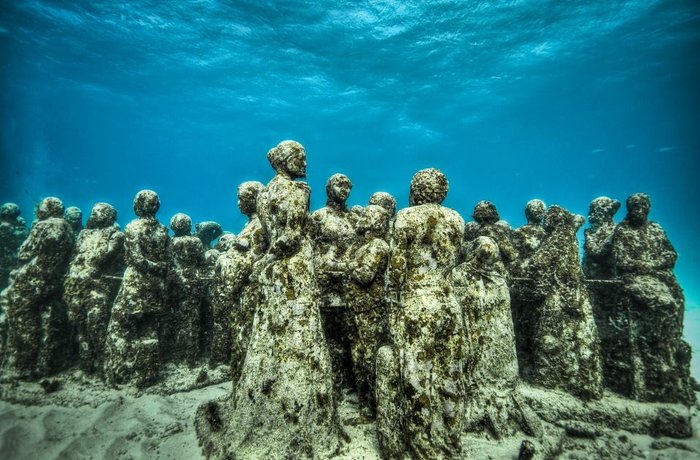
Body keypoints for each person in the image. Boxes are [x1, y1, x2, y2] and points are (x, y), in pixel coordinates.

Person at [195, 140, 341, 459]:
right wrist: (268, 259)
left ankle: (266, 404)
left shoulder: (264, 193)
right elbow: (288, 238)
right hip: (293, 270)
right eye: (299, 157)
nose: (305, 162)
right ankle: (298, 418)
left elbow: (273, 234)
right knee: (300, 339)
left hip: (274, 273)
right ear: (283, 161)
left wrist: (264, 263)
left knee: (272, 337)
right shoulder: (298, 191)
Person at [380, 168, 466, 459]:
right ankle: (451, 438)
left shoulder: (405, 217)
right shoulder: (457, 219)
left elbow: (396, 270)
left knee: (417, 375)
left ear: (416, 189)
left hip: (417, 303)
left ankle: (422, 442)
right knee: (450, 372)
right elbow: (451, 263)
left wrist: (392, 308)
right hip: (449, 302)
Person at [610, 193, 694, 404]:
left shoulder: (656, 229)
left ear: (649, 207)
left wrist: (655, 265)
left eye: (643, 205)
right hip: (635, 279)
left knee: (677, 299)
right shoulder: (622, 231)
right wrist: (644, 266)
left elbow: (671, 254)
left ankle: (671, 345)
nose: (639, 209)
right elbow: (621, 260)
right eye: (635, 205)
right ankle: (656, 350)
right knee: (664, 303)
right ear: (629, 208)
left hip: (661, 277)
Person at [1, 197, 74, 379]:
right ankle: (48, 361)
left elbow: (25, 252)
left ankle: (23, 364)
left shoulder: (42, 226)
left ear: (46, 208)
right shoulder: (68, 227)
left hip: (35, 277)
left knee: (18, 310)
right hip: (55, 279)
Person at [104, 190, 169, 388]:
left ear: (138, 205)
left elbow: (135, 259)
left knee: (120, 325)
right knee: (149, 328)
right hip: (156, 284)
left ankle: (120, 374)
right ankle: (147, 374)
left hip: (136, 283)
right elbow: (166, 260)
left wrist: (150, 267)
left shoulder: (133, 227)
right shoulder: (163, 229)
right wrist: (158, 268)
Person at [63, 203, 124, 374]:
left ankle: (106, 364)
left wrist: (86, 269)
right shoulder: (83, 234)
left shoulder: (116, 235)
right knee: (79, 323)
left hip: (99, 286)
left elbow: (104, 257)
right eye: (93, 212)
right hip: (77, 284)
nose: (95, 214)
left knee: (96, 323)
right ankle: (86, 363)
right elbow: (76, 255)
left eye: (100, 212)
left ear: (110, 215)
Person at [310, 173, 356, 389]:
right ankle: (329, 381)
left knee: (349, 335)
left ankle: (347, 380)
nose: (344, 189)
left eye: (348, 186)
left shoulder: (354, 218)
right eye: (340, 185)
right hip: (326, 283)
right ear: (329, 188)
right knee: (328, 336)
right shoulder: (318, 217)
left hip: (351, 284)